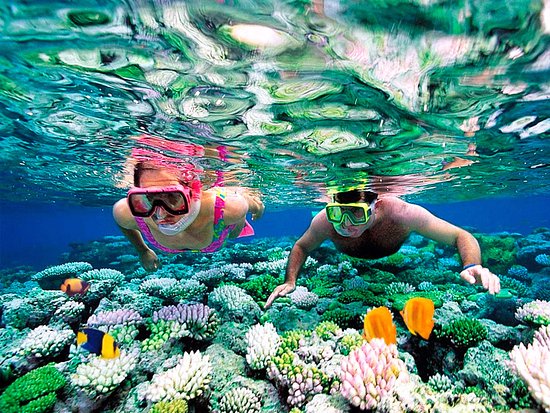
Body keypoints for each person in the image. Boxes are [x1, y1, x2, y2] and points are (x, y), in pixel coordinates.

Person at [265, 189, 500, 308]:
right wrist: (290, 280)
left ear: (375, 207)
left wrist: (472, 265)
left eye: (357, 213)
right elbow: (302, 246)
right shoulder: (324, 222)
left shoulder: (402, 214)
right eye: (338, 213)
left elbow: (461, 235)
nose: (346, 224)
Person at [113, 162, 264, 271]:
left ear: (192, 193)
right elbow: (122, 223)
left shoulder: (229, 208)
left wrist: (258, 208)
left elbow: (253, 205)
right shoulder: (128, 211)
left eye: (172, 196)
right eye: (148, 198)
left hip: (223, 221)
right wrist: (142, 250)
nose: (161, 213)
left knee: (234, 231)